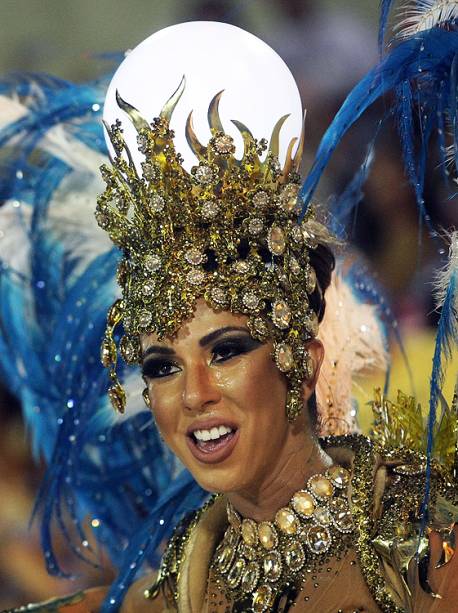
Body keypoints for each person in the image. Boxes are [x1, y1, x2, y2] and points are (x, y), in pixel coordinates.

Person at [1, 7, 458, 613]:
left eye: (225, 350)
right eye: (162, 365)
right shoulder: (182, 585)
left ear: (304, 359)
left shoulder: (423, 541)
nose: (193, 394)